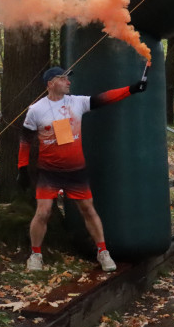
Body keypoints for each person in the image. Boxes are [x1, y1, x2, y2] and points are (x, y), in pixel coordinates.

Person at [20, 66, 147, 272]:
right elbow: (25, 141)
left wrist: (132, 89)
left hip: (75, 170)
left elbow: (104, 98)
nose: (69, 82)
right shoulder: (36, 109)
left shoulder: (76, 102)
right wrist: (21, 168)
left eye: (68, 79)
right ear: (51, 83)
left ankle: (103, 252)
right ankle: (35, 255)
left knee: (88, 209)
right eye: (64, 79)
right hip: (49, 171)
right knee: (43, 212)